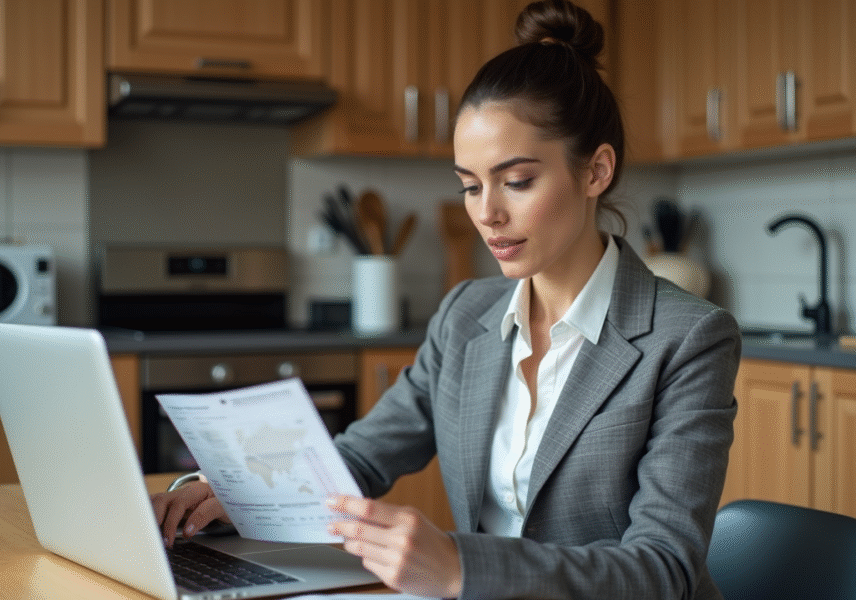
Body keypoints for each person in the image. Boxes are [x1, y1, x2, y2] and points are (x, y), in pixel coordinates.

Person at [151, 1, 741, 598]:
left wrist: (461, 567)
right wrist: (234, 489)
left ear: (596, 171)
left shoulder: (687, 338)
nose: (487, 213)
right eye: (469, 185)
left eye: (517, 181)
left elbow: (664, 569)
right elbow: (361, 457)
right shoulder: (466, 316)